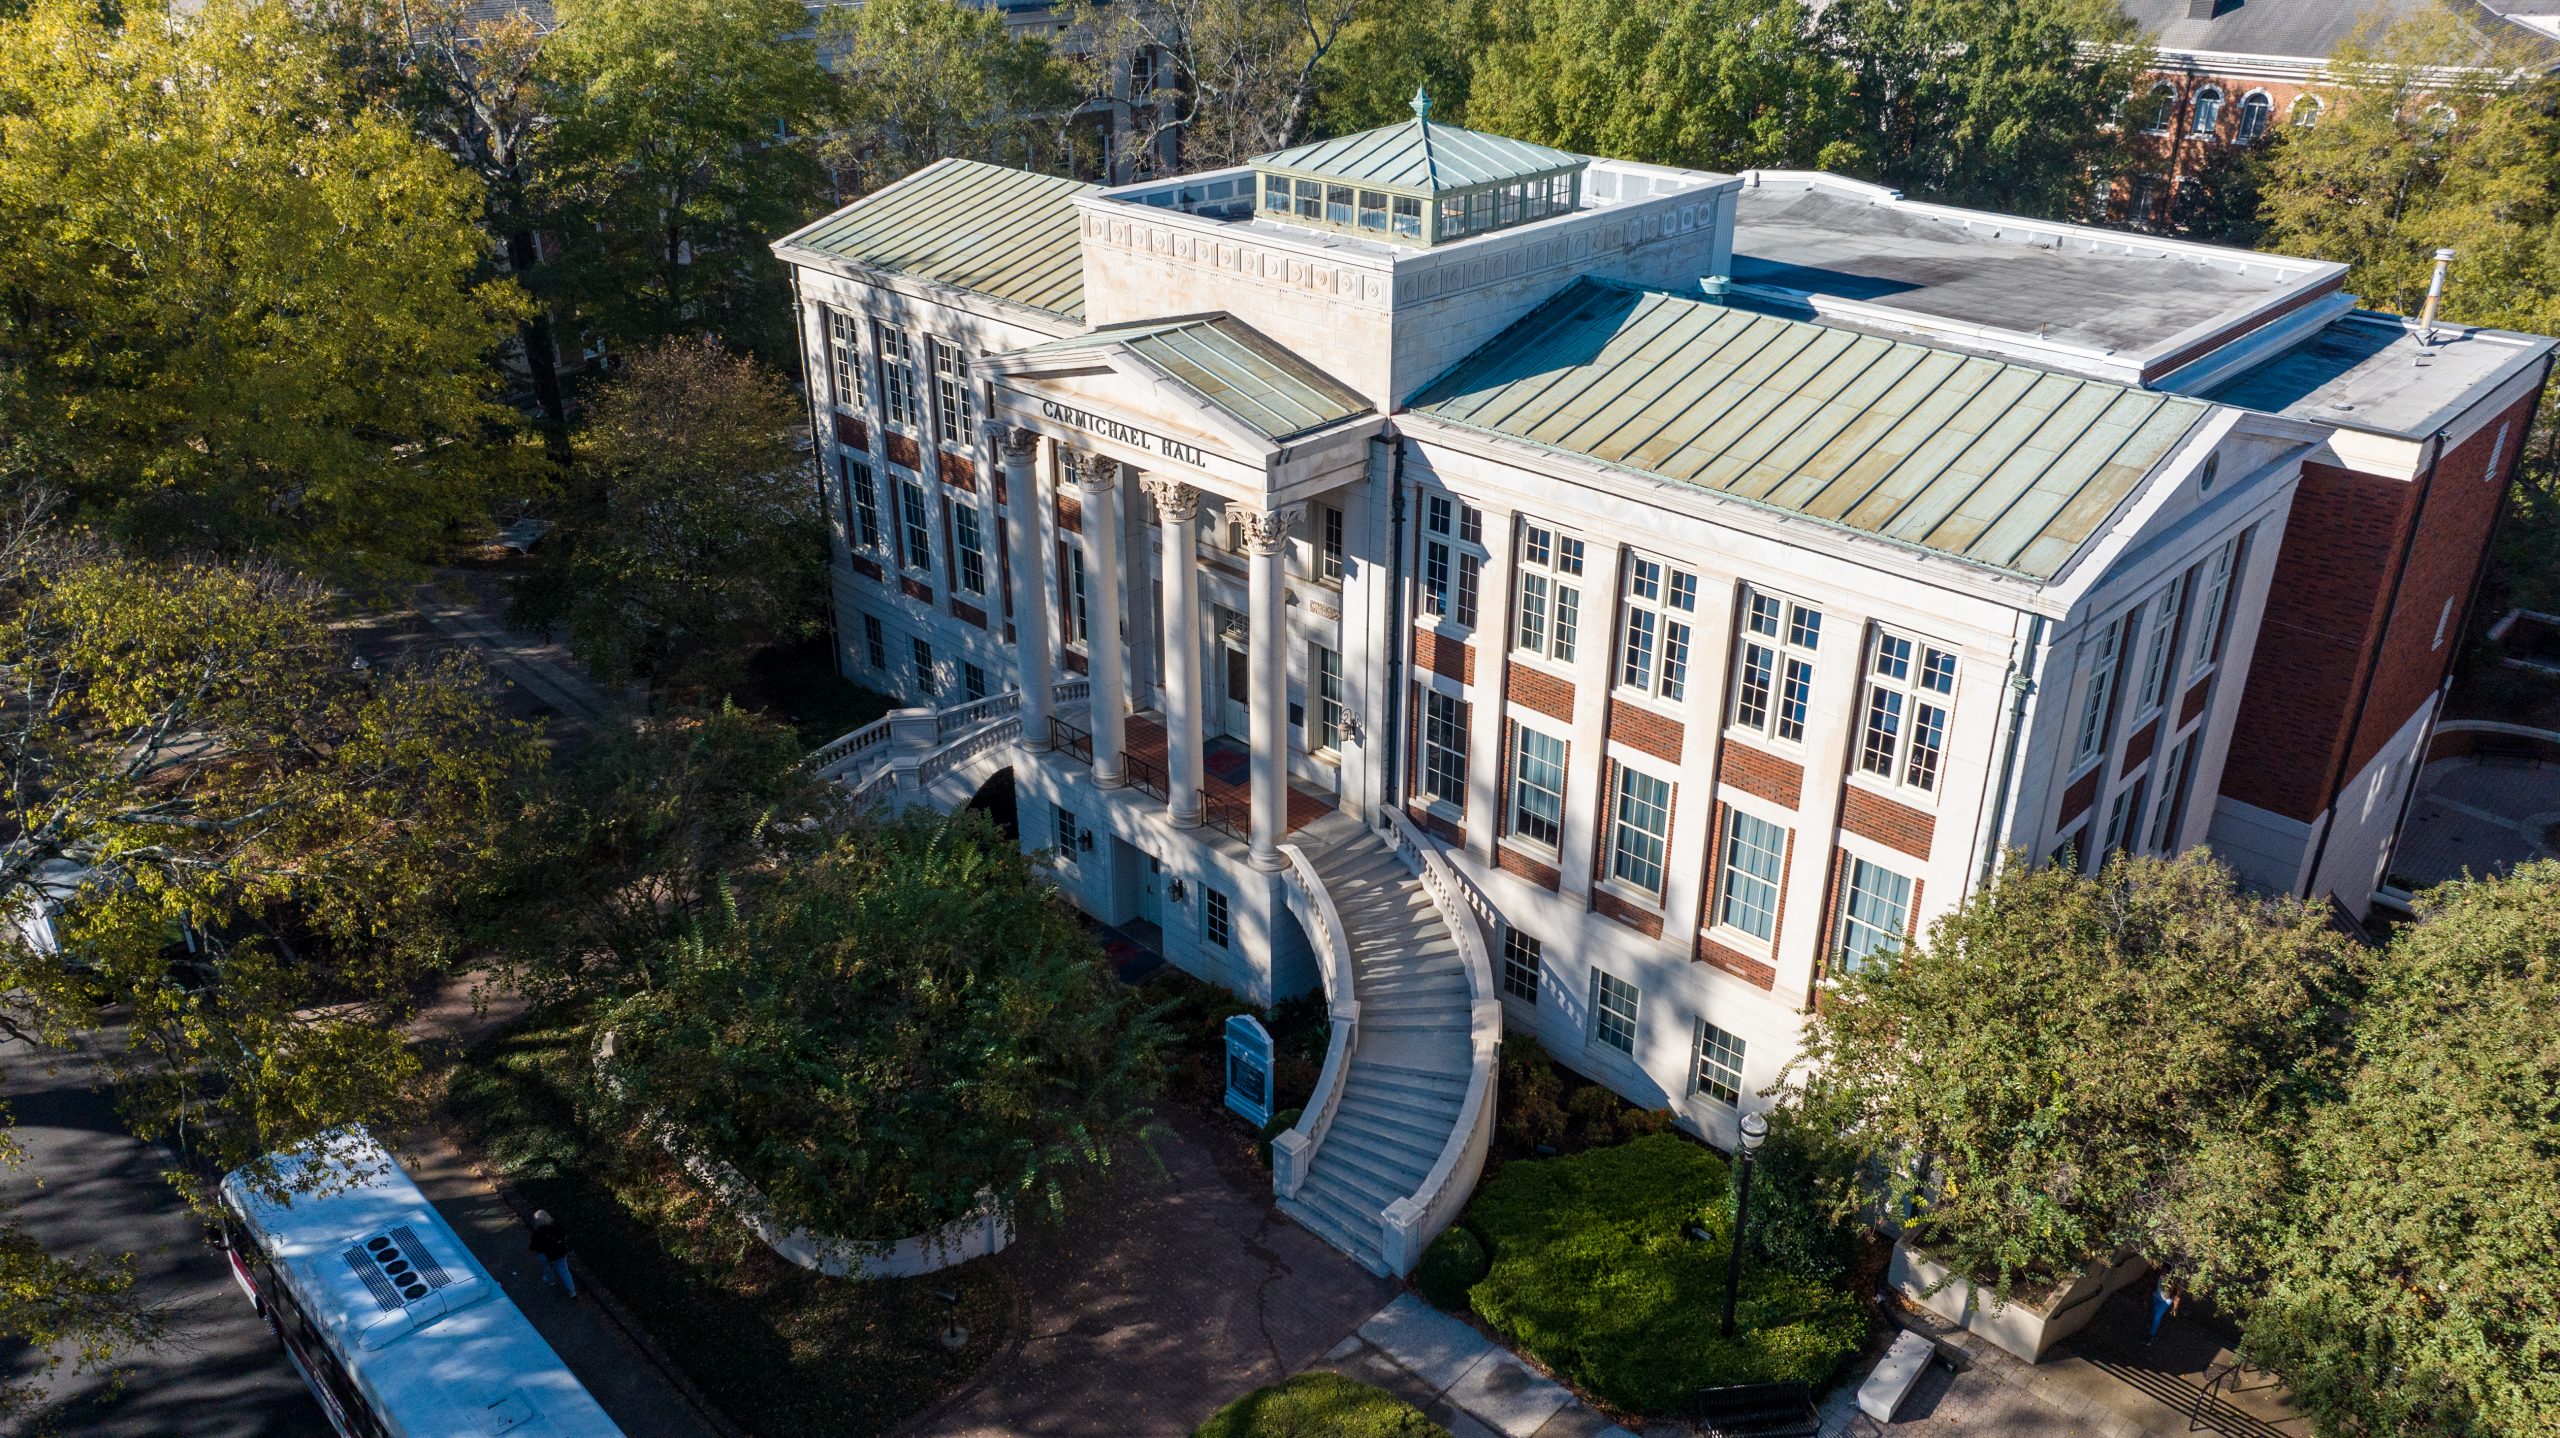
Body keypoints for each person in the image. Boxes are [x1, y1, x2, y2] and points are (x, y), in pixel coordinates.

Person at [529, 1209, 576, 1298]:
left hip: (544, 1254)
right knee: (564, 1272)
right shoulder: (557, 1226)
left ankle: (551, 1281)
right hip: (559, 1253)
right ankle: (572, 1291)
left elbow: (533, 1247)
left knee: (547, 1268)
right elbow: (564, 1235)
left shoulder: (537, 1233)